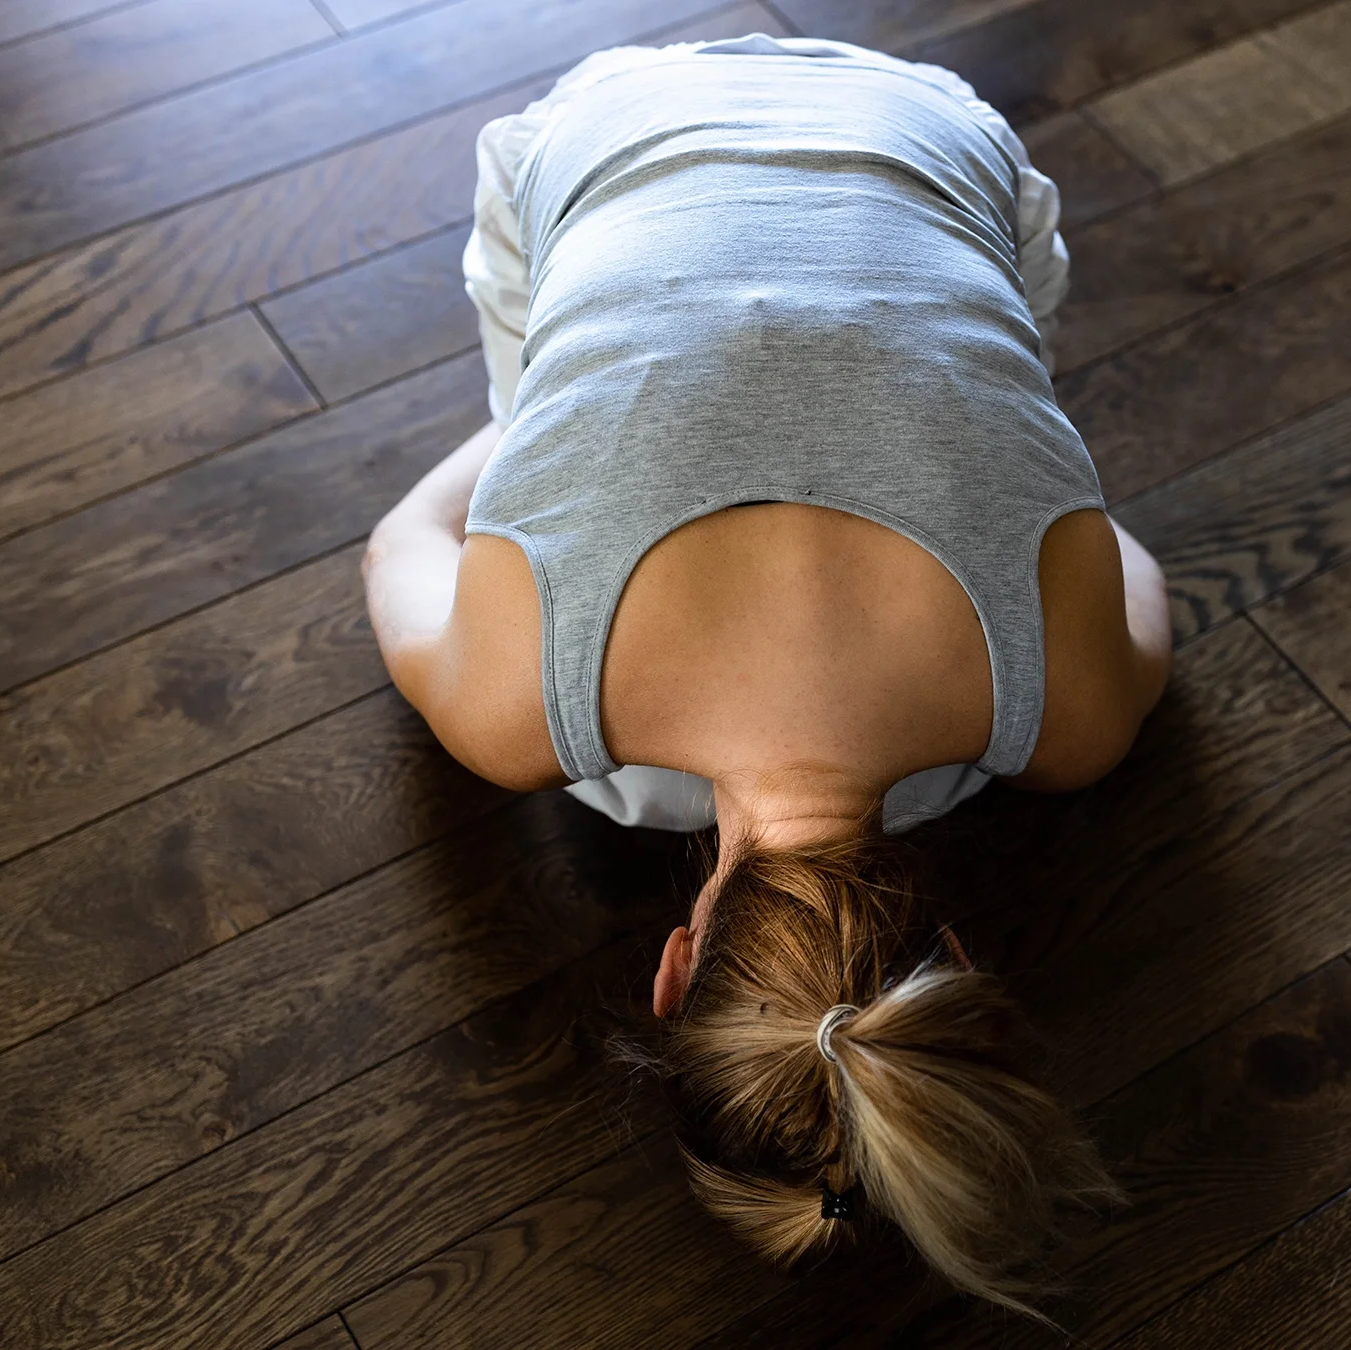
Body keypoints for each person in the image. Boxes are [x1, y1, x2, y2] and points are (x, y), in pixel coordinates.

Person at [362, 32, 1170, 1317]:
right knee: (620, 788)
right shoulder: (513, 708)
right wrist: (549, 420)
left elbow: (1107, 529)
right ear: (676, 968)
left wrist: (998, 474)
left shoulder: (1065, 713)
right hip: (607, 132)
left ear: (950, 954)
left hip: (927, 130)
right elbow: (404, 544)